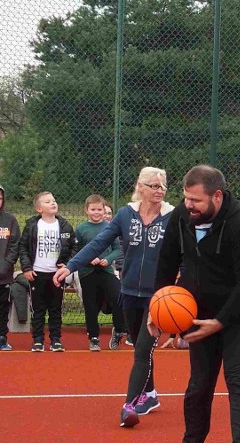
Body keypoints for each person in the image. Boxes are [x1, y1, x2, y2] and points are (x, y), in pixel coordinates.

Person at [152, 164, 240, 443]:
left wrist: (220, 322)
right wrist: (157, 309)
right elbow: (166, 262)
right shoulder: (181, 218)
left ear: (217, 196)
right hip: (196, 312)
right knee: (200, 382)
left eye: (196, 200)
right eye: (186, 198)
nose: (189, 205)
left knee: (238, 377)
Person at [55, 167, 174, 427]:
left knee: (142, 349)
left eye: (162, 186)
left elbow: (186, 253)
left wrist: (182, 282)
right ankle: (150, 394)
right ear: (140, 187)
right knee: (142, 348)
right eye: (153, 185)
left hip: (159, 297)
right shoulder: (124, 215)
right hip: (129, 292)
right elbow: (97, 244)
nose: (159, 190)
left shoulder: (173, 217)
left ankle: (129, 405)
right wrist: (71, 266)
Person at [20, 192, 75, 352]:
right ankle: (37, 340)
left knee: (55, 308)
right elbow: (23, 247)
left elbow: (74, 247)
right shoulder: (32, 225)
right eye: (47, 201)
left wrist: (66, 264)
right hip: (37, 273)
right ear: (39, 208)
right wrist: (27, 268)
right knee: (38, 309)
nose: (53, 203)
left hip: (56, 275)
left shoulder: (65, 225)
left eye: (54, 200)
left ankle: (56, 339)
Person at [72, 194, 127, 351]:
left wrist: (108, 259)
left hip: (106, 271)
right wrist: (88, 259)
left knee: (119, 298)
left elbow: (117, 249)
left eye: (99, 209)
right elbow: (76, 251)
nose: (96, 212)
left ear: (105, 211)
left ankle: (118, 329)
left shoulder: (109, 227)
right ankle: (94, 338)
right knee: (91, 305)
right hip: (87, 273)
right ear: (86, 210)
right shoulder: (81, 229)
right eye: (93, 209)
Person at [0, 184, 21, 351]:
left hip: (3, 274)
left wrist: (6, 265)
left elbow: (15, 246)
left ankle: (1, 337)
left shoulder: (10, 220)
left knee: (2, 307)